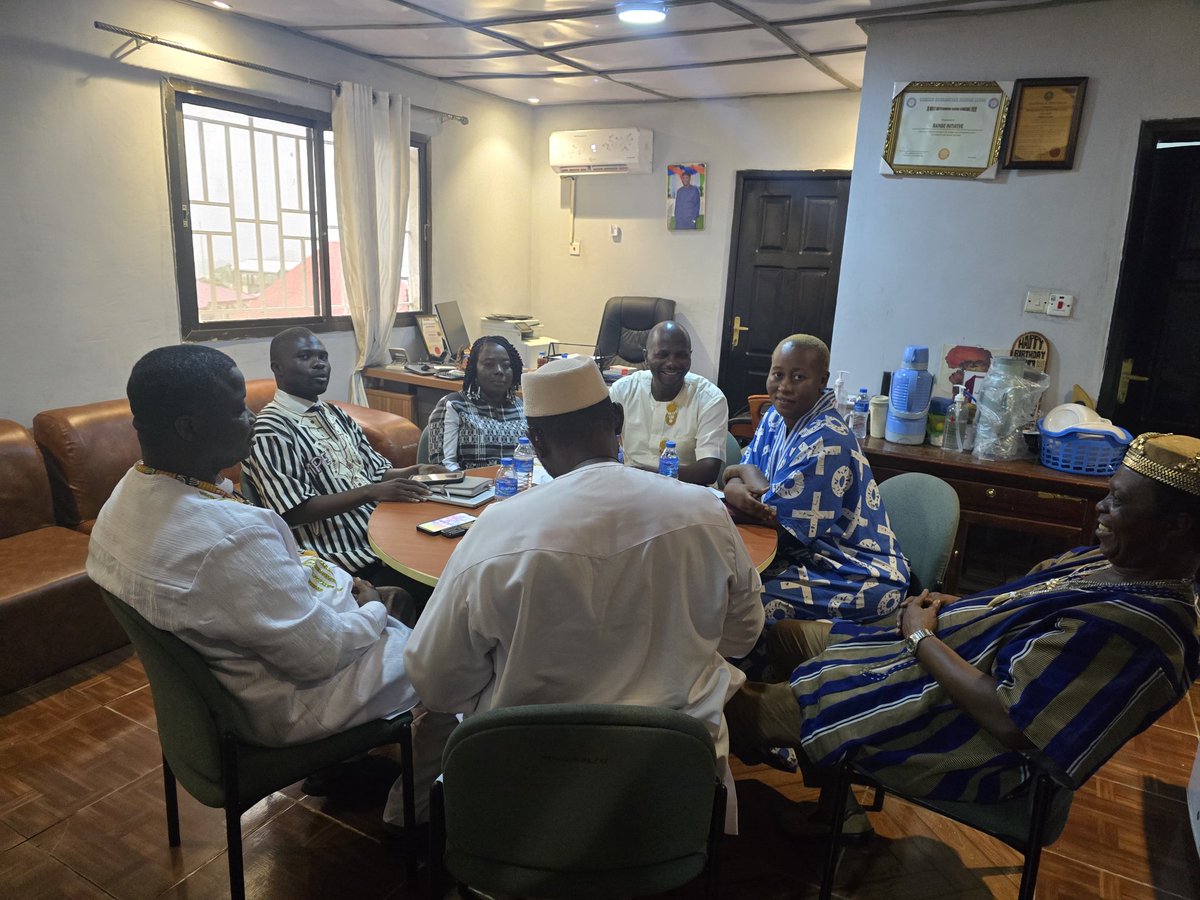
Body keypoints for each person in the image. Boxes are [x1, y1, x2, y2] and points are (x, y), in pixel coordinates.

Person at [726, 431, 1200, 838]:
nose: (1101, 505)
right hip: (938, 661)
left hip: (956, 733)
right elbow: (1028, 608)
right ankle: (837, 811)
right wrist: (965, 608)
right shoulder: (1113, 562)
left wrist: (920, 638)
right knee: (785, 635)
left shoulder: (1142, 632)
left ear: (1174, 527)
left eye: (1117, 500)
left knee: (731, 705)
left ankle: (695, 816)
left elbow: (1010, 722)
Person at [402, 356, 764, 830]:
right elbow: (743, 636)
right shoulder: (702, 511)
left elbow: (438, 681)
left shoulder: (498, 530)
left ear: (535, 440)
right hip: (669, 788)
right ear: (616, 422)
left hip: (526, 793)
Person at [86, 345, 432, 778]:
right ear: (189, 427)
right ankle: (418, 806)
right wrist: (375, 606)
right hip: (293, 701)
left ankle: (359, 769)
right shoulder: (229, 536)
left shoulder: (127, 496)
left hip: (242, 678)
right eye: (237, 411)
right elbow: (320, 657)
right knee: (451, 654)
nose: (251, 418)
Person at [723, 334, 910, 667]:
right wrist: (739, 475)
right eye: (777, 374)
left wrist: (737, 481)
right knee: (725, 587)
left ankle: (754, 696)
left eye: (799, 377)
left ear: (822, 381)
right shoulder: (774, 418)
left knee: (744, 601)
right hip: (804, 555)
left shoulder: (829, 440)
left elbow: (766, 513)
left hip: (855, 571)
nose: (784, 387)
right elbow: (745, 480)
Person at [244, 327, 442, 588]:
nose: (319, 364)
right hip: (348, 557)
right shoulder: (271, 429)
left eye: (323, 357)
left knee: (458, 550)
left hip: (384, 532)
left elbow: (376, 472)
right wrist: (371, 492)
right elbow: (293, 511)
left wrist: (413, 471)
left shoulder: (334, 414)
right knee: (444, 582)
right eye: (305, 357)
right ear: (277, 368)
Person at [609, 321, 728, 485]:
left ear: (690, 356)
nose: (672, 363)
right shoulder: (622, 391)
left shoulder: (710, 398)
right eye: (662, 355)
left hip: (688, 493)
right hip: (631, 490)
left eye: (681, 355)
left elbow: (708, 471)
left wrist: (640, 473)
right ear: (646, 357)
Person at [426, 335, 527, 470]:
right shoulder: (454, 405)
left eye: (506, 365)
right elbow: (443, 465)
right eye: (489, 364)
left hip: (519, 487)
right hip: (467, 488)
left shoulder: (522, 407)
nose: (499, 371)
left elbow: (533, 458)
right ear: (474, 368)